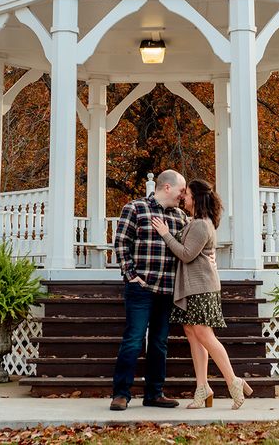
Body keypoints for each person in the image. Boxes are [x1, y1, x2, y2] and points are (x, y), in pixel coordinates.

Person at [152, 178, 253, 409]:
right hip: (192, 286)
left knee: (204, 335)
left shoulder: (200, 224)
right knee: (192, 333)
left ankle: (233, 381)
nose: (183, 198)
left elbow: (186, 254)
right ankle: (202, 388)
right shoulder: (194, 222)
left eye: (186, 194)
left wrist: (165, 234)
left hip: (202, 288)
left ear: (195, 197)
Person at [110, 169, 187, 411]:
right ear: (167, 187)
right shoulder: (134, 208)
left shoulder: (180, 217)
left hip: (167, 291)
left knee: (159, 343)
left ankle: (155, 393)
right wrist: (131, 276)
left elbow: (189, 248)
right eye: (181, 190)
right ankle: (121, 394)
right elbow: (121, 243)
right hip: (140, 289)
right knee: (133, 340)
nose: (183, 196)